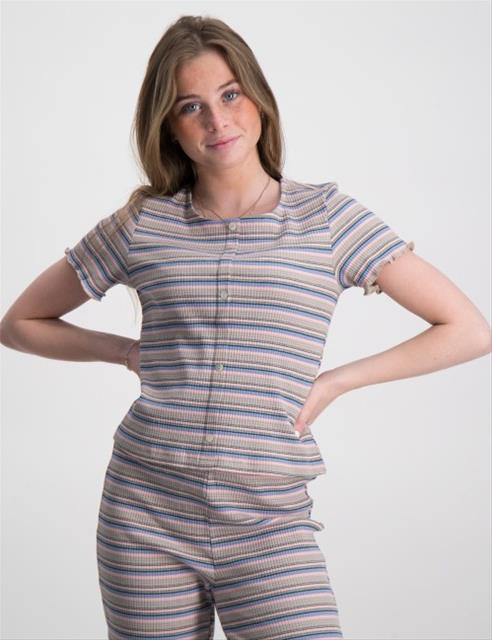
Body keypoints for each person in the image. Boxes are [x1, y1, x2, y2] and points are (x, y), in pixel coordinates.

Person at [1, 14, 490, 640]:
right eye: (191, 107)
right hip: (144, 513)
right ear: (169, 126)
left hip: (269, 523)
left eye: (230, 95)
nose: (217, 120)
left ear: (258, 99)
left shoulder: (327, 218)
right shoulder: (144, 224)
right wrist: (123, 351)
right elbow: (20, 323)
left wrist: (336, 382)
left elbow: (468, 329)